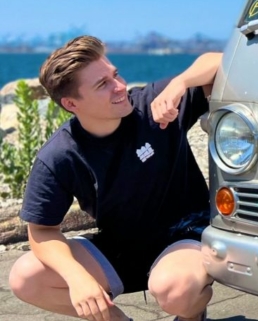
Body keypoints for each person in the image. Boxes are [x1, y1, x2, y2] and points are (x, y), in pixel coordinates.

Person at [7, 35, 221, 321]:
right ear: (72, 103)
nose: (120, 87)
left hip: (185, 239)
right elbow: (42, 231)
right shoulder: (61, 155)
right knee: (25, 278)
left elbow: (219, 61)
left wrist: (181, 82)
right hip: (120, 249)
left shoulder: (153, 106)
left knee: (175, 289)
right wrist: (77, 278)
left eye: (115, 75)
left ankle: (192, 316)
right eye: (102, 84)